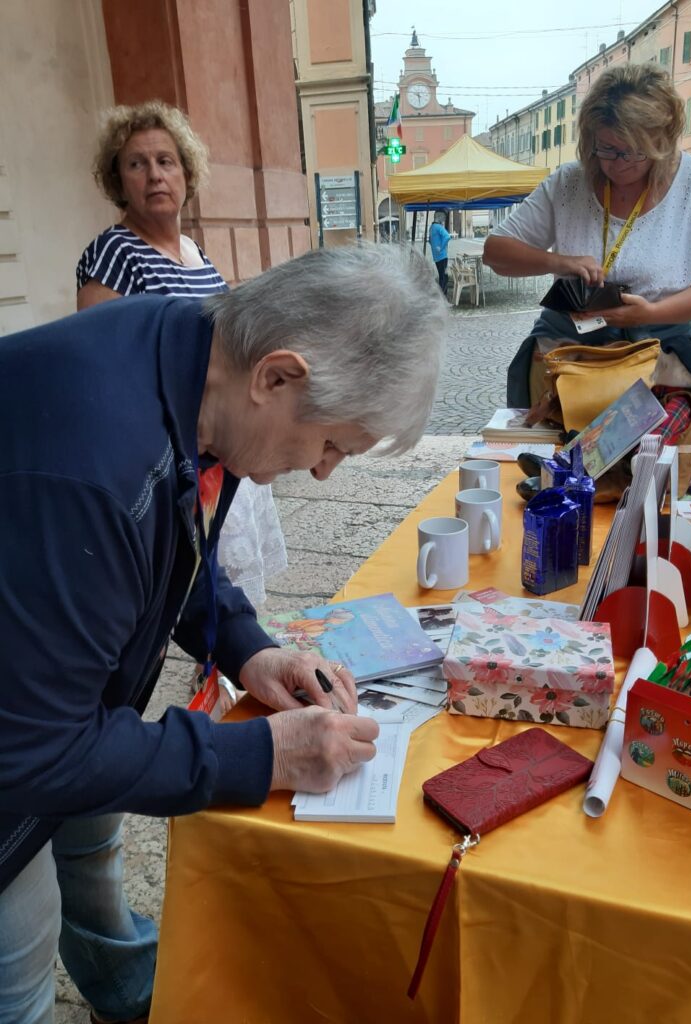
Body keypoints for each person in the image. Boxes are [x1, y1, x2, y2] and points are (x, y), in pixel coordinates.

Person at [0, 244, 447, 1024]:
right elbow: (41, 752)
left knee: (91, 838)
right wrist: (260, 755)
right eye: (334, 443)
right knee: (18, 946)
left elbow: (169, 544)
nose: (323, 472)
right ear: (278, 376)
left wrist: (247, 644)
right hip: (23, 743)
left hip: (52, 684)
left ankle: (127, 988)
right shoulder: (95, 468)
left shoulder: (197, 355)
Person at [76, 100, 287, 609]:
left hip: (222, 443)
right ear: (117, 179)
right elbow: (101, 365)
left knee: (227, 587)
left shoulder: (195, 251)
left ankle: (229, 674)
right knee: (196, 585)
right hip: (175, 451)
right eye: (137, 163)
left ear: (187, 172)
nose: (154, 175)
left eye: (166, 161)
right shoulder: (114, 253)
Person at [483, 63, 691, 409]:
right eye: (605, 148)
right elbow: (495, 252)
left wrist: (649, 314)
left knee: (648, 463)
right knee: (554, 459)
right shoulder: (569, 182)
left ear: (661, 141)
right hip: (567, 356)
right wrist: (560, 261)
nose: (617, 164)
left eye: (633, 151)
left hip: (660, 362)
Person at [428, 212, 452, 296]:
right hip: (442, 255)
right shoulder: (439, 227)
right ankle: (443, 296)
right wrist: (441, 247)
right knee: (444, 277)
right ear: (439, 217)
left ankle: (442, 295)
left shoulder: (431, 228)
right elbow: (447, 236)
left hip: (436, 257)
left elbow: (430, 241)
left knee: (442, 276)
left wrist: (435, 247)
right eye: (443, 217)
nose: (444, 219)